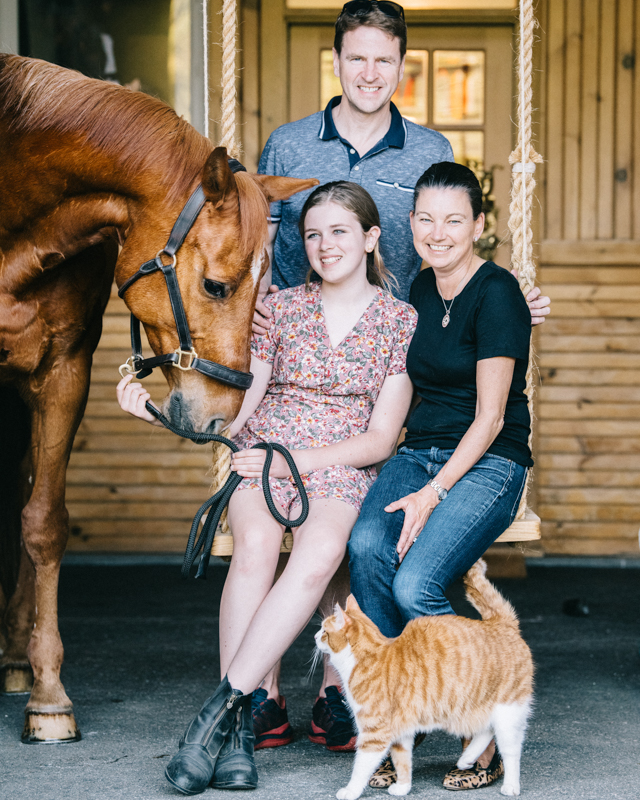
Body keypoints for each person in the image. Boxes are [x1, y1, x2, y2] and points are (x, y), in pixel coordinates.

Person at [252, 0, 550, 757]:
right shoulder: (289, 143)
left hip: (393, 376)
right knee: (330, 539)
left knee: (369, 545)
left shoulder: (429, 150)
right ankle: (279, 693)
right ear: (337, 61)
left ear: (401, 66)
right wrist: (255, 333)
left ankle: (351, 695)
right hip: (303, 366)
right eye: (356, 57)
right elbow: (263, 252)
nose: (369, 72)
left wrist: (508, 302)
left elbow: (455, 255)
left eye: (383, 59)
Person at [117, 182, 418, 793]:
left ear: (370, 238)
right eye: (312, 234)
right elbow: (242, 409)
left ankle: (221, 715)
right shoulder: (278, 310)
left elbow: (381, 440)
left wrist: (292, 464)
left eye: (339, 231)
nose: (324, 245)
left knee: (321, 553)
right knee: (254, 547)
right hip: (262, 455)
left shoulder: (399, 321)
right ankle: (237, 731)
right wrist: (159, 414)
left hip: (337, 464)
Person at [348, 161, 533, 792]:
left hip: (490, 461)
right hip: (419, 450)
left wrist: (433, 492)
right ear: (411, 224)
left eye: (454, 220)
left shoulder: (498, 294)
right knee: (366, 548)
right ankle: (406, 711)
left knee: (417, 584)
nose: (438, 232)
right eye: (426, 219)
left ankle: (483, 730)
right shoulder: (420, 290)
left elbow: (490, 418)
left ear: (478, 226)